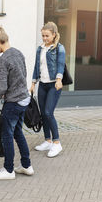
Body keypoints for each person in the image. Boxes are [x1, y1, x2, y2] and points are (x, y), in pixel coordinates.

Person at [0, 26, 34, 180]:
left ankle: (8, 170)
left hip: (13, 102)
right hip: (24, 99)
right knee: (18, 132)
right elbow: (24, 75)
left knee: (6, 135)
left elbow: (2, 87)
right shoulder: (18, 53)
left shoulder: (3, 59)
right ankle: (27, 166)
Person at [30, 21, 65, 158]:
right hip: (43, 84)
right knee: (43, 114)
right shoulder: (41, 48)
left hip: (54, 85)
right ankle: (47, 140)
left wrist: (59, 79)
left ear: (54, 35)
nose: (44, 38)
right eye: (43, 36)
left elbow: (61, 64)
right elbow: (36, 66)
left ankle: (57, 143)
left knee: (48, 112)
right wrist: (33, 83)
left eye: (47, 36)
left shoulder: (59, 48)